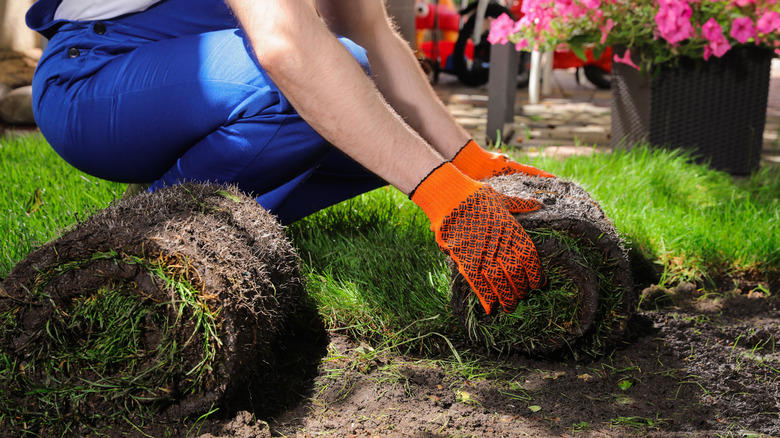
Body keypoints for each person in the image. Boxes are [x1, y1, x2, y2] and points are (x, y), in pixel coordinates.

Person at [26, 0, 554, 315]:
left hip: (189, 62)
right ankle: (136, 240)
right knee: (323, 87)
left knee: (365, 109)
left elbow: (368, 28)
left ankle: (206, 216)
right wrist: (443, 195)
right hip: (96, 77)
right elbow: (287, 47)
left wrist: (464, 162)